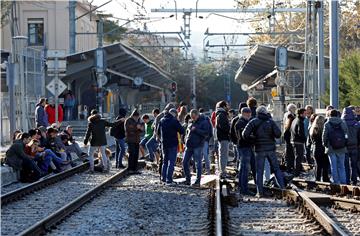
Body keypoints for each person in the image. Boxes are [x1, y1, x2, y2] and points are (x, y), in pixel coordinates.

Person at [242, 106, 284, 197]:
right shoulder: (271, 122)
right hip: (271, 149)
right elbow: (278, 134)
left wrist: (253, 139)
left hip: (259, 149)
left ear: (257, 113)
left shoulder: (253, 121)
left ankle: (259, 192)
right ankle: (283, 189)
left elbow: (244, 134)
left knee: (259, 171)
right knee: (276, 169)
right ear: (266, 112)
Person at [183, 109, 210, 186]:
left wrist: (196, 130)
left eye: (194, 117)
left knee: (198, 163)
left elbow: (206, 133)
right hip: (189, 145)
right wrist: (185, 140)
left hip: (198, 145)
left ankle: (198, 181)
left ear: (197, 115)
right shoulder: (191, 121)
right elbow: (188, 132)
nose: (192, 118)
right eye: (191, 117)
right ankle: (188, 179)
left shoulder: (204, 122)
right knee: (184, 162)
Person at [158, 108, 185, 184]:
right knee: (172, 162)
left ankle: (163, 178)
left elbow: (157, 132)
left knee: (165, 162)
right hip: (172, 143)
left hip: (164, 144)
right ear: (174, 114)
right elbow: (182, 130)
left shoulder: (162, 120)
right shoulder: (174, 121)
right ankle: (169, 179)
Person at [322, 109, 348, 184]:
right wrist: (345, 143)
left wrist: (325, 145)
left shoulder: (327, 124)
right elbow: (346, 135)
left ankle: (336, 182)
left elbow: (324, 136)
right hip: (342, 148)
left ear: (329, 115)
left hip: (331, 148)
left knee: (333, 166)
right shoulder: (343, 123)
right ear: (337, 115)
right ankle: (343, 182)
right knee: (342, 166)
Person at [235, 107, 255, 195]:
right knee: (245, 168)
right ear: (244, 114)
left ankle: (241, 187)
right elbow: (244, 136)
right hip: (244, 147)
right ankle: (244, 189)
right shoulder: (241, 123)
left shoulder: (242, 122)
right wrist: (253, 138)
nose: (249, 115)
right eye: (248, 114)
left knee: (244, 168)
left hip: (246, 147)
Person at [341, 107, 360, 185]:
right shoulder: (357, 123)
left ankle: (347, 180)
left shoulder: (341, 123)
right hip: (355, 146)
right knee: (354, 165)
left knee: (346, 166)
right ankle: (354, 180)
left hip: (345, 147)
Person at [310, 116, 330, 182]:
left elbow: (311, 140)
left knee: (318, 165)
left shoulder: (313, 129)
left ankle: (317, 179)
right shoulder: (324, 128)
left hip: (316, 149)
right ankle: (325, 178)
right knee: (325, 165)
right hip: (323, 148)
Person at [124, 109, 143, 174]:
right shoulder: (128, 120)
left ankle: (135, 169)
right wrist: (136, 127)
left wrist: (140, 128)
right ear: (133, 116)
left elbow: (141, 130)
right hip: (130, 140)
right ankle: (130, 169)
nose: (137, 118)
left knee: (136, 154)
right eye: (136, 117)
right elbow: (128, 129)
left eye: (138, 117)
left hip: (137, 140)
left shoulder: (138, 121)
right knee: (132, 154)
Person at [215, 100, 230, 178]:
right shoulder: (222, 115)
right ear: (223, 106)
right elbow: (224, 127)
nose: (228, 107)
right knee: (223, 155)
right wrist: (229, 129)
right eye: (226, 105)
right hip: (223, 137)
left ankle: (223, 171)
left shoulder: (220, 114)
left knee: (222, 154)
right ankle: (223, 172)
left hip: (222, 137)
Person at [290, 108, 307, 176]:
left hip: (294, 140)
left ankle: (296, 172)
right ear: (301, 114)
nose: (305, 115)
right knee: (298, 157)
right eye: (304, 114)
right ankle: (296, 173)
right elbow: (300, 132)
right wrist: (304, 139)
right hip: (299, 142)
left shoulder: (295, 120)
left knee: (297, 157)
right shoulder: (300, 121)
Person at [199, 108, 213, 175]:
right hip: (205, 140)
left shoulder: (199, 119)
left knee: (200, 156)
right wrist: (208, 138)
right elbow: (210, 130)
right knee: (205, 155)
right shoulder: (207, 119)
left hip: (200, 140)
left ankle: (200, 170)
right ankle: (207, 170)